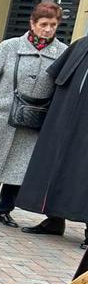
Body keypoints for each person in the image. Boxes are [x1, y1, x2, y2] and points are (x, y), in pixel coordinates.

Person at [0, 1, 66, 227]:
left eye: (53, 24)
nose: (48, 29)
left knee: (19, 169)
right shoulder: (9, 47)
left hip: (35, 120)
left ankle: (4, 210)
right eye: (43, 24)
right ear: (32, 23)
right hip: (3, 117)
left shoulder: (62, 52)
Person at [17, 32, 88, 248]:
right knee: (55, 169)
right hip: (63, 121)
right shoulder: (81, 45)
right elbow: (55, 79)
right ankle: (54, 221)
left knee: (83, 177)